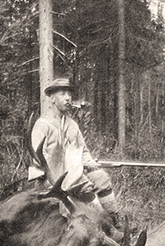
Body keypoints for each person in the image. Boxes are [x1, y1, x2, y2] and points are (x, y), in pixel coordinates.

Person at [28, 77, 119, 217]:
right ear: (52, 98)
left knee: (101, 177)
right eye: (63, 94)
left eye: (69, 94)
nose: (68, 98)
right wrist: (61, 174)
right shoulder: (42, 125)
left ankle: (115, 219)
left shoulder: (72, 125)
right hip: (49, 180)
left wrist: (89, 162)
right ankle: (104, 224)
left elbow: (84, 151)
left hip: (73, 175)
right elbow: (37, 159)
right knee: (82, 185)